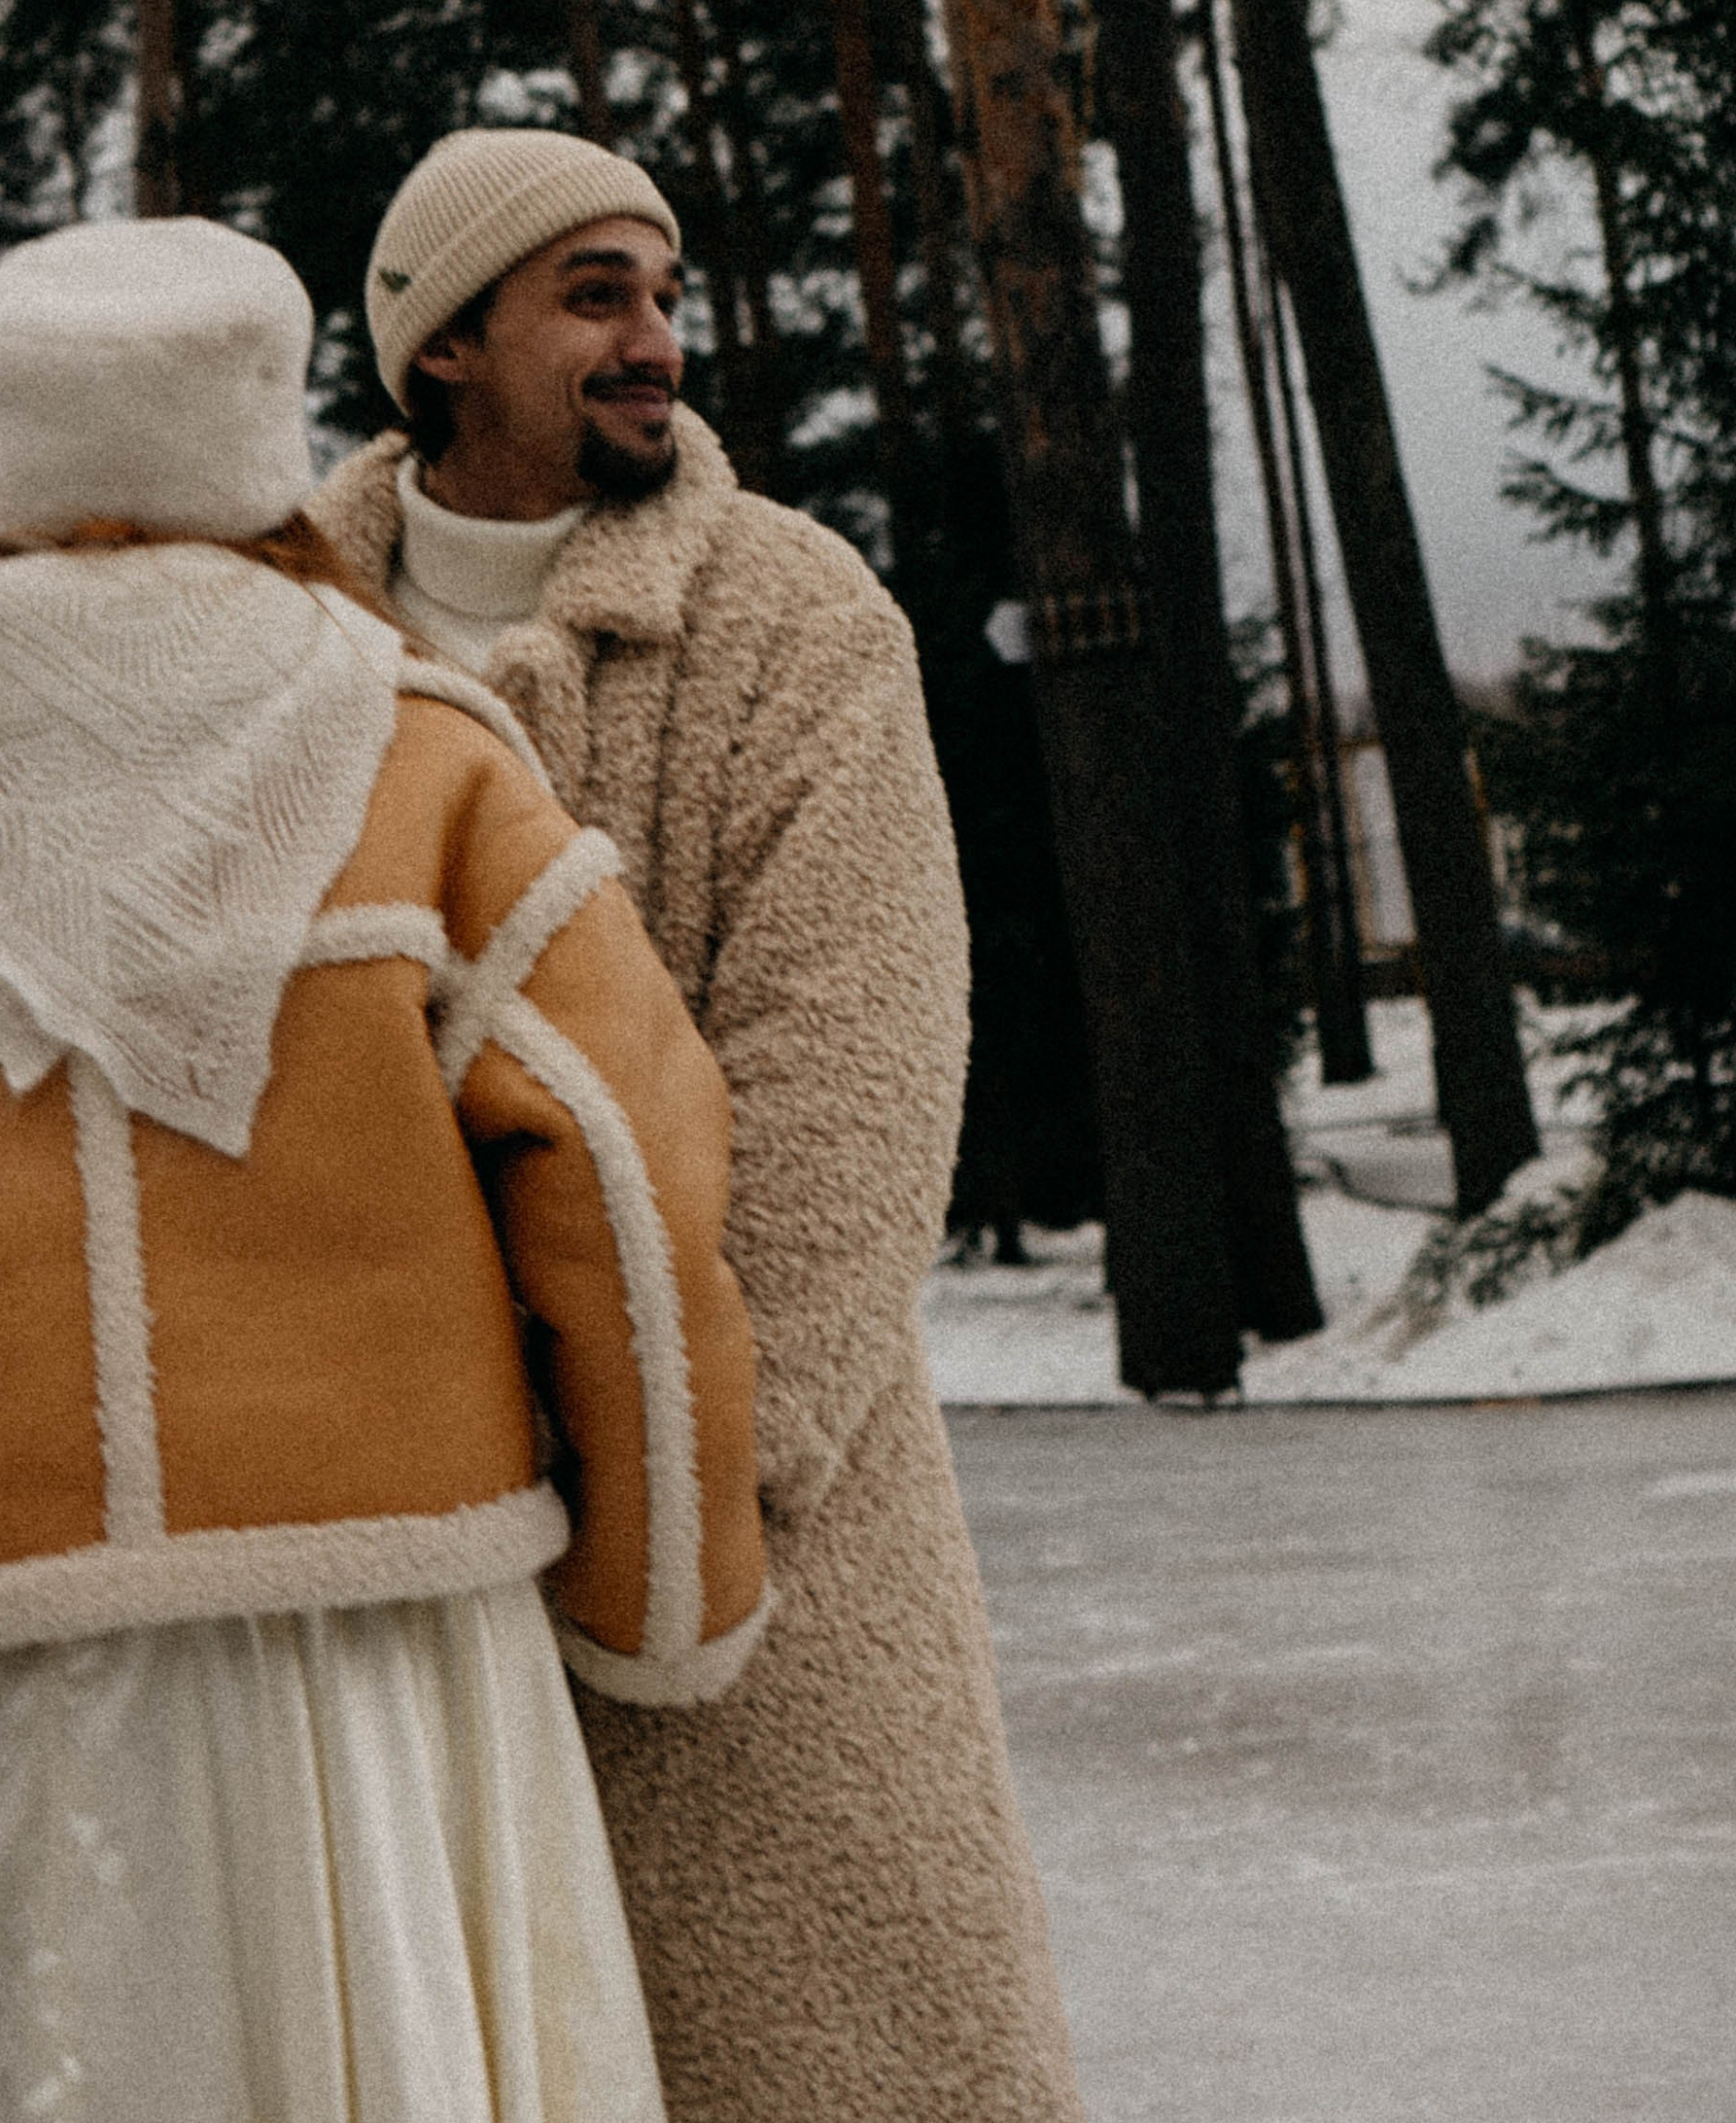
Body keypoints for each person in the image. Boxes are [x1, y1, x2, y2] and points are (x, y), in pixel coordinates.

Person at [0, 216, 766, 2123]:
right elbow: (621, 1174)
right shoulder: (424, 750)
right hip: (383, 1673)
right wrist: (655, 1599)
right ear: (253, 435)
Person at [313, 127, 1087, 2123]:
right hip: (381, 1540)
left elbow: (856, 1082)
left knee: (823, 2062)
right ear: (442, 348)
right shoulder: (280, 650)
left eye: (664, 294)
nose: (657, 338)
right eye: (593, 296)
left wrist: (697, 1490)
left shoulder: (792, 618)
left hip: (758, 1544)